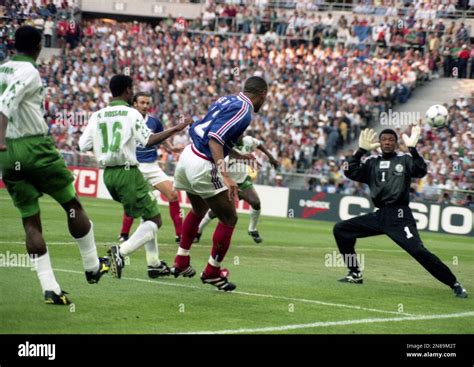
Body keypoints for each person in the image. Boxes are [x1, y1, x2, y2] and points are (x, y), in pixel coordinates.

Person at [0, 26, 109, 305]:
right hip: (34, 147)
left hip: (9, 155)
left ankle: (50, 287)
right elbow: (6, 101)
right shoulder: (29, 71)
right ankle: (91, 265)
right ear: (38, 45)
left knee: (30, 222)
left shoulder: (3, 68)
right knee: (72, 206)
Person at [78, 74, 191, 279]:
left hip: (108, 175)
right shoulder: (131, 113)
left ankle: (154, 263)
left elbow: (82, 145)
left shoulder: (98, 115)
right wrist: (176, 128)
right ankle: (119, 253)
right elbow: (147, 140)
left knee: (148, 215)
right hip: (128, 172)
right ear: (128, 90)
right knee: (155, 220)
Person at [333, 126, 468, 298]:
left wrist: (413, 149)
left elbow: (421, 170)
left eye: (391, 139)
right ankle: (354, 274)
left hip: (400, 215)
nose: (387, 142)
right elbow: (347, 170)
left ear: (396, 143)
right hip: (380, 214)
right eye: (384, 139)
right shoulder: (371, 162)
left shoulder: (404, 159)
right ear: (379, 143)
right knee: (341, 229)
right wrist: (360, 151)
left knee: (418, 251)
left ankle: (455, 284)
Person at [171, 76, 268, 291]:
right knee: (229, 217)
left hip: (188, 155)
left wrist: (238, 156)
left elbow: (213, 134)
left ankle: (181, 260)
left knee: (198, 209)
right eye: (265, 98)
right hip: (204, 163)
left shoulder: (227, 100)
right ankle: (213, 272)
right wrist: (225, 175)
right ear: (262, 95)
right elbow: (215, 139)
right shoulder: (244, 111)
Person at [117, 92, 183, 279]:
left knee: (172, 194)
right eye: (142, 102)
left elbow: (161, 137)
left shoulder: (154, 121)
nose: (145, 105)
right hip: (135, 167)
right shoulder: (127, 118)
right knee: (143, 209)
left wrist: (171, 149)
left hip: (152, 166)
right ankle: (128, 238)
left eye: (148, 102)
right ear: (135, 103)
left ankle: (181, 235)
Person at [195, 135, 279, 244]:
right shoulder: (224, 146)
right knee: (215, 212)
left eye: (241, 132)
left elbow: (259, 144)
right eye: (237, 133)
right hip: (227, 184)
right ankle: (198, 231)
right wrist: (238, 159)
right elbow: (221, 164)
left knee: (256, 202)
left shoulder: (248, 141)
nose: (240, 135)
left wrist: (271, 157)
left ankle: (252, 229)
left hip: (243, 181)